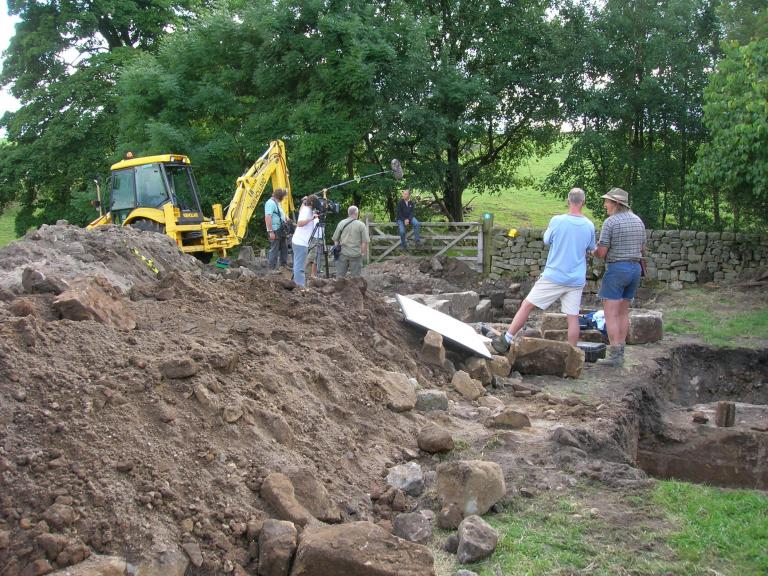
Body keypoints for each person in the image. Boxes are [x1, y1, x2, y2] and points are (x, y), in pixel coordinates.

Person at [492, 188, 596, 353]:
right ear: (583, 202)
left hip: (554, 275)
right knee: (573, 317)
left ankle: (506, 339)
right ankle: (573, 355)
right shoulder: (589, 225)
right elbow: (591, 247)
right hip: (576, 279)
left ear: (568, 201)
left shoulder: (557, 220)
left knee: (527, 305)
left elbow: (547, 240)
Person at [592, 187, 646, 367]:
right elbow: (642, 249)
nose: (605, 205)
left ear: (616, 203)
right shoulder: (638, 220)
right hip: (635, 269)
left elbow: (602, 252)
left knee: (610, 314)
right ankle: (621, 351)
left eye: (607, 201)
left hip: (617, 269)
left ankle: (614, 355)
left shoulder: (611, 222)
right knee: (623, 312)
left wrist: (592, 251)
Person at [332, 205, 370, 278]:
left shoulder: (341, 223)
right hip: (356, 254)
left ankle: (339, 285)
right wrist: (362, 253)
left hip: (343, 253)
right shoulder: (361, 225)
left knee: (340, 277)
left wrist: (337, 250)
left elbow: (335, 239)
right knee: (356, 278)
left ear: (348, 213)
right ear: (357, 213)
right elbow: (364, 242)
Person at [291, 195, 319, 287]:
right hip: (300, 242)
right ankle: (300, 287)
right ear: (312, 203)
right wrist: (312, 218)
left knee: (298, 265)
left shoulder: (307, 209)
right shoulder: (307, 210)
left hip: (300, 241)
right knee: (300, 267)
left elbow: (301, 211)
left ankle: (297, 284)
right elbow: (299, 223)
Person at [264, 188, 289, 269]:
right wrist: (270, 231)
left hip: (281, 229)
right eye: (283, 197)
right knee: (274, 249)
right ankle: (272, 268)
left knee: (284, 247)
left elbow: (279, 213)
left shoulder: (276, 203)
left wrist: (286, 218)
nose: (283, 199)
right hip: (275, 229)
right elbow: (268, 217)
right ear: (280, 197)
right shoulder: (270, 203)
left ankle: (283, 265)